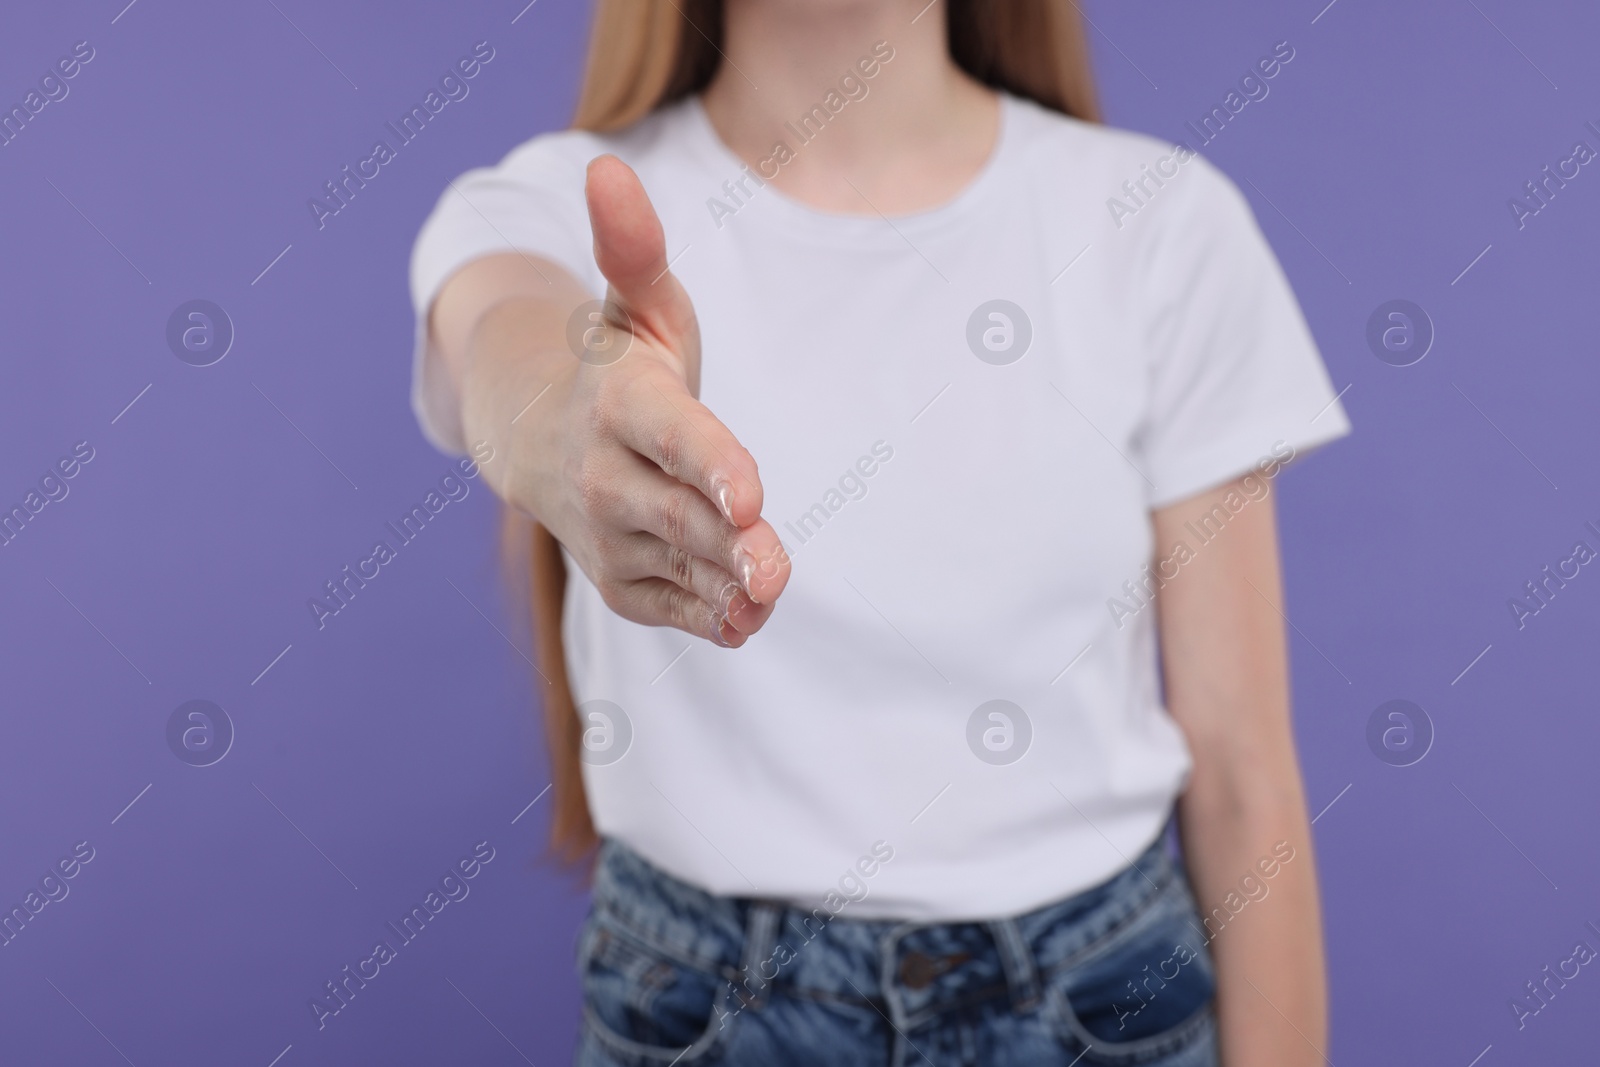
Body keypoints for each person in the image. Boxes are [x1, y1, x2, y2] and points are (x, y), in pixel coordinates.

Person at [409, 1, 1349, 1063]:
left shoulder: (1162, 223)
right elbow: (505, 335)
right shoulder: (561, 202)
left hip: (1102, 1000)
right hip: (706, 1007)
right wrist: (562, 427)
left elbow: (1241, 773)